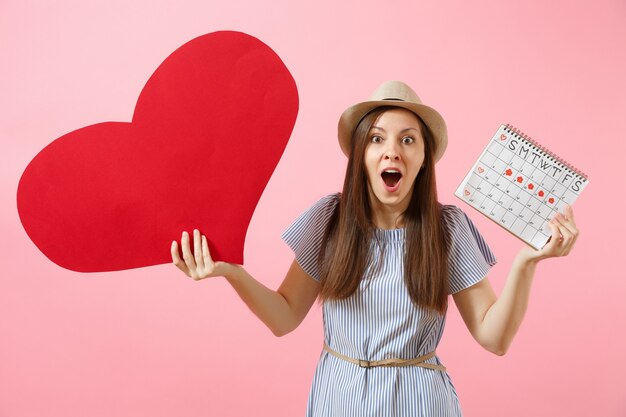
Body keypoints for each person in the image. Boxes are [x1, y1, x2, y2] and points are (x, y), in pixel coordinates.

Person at [170, 81, 579, 416]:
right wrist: (232, 273)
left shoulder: (448, 229)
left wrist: (528, 262)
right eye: (377, 138)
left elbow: (495, 338)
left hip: (421, 404)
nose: (392, 151)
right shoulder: (330, 219)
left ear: (423, 159)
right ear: (361, 155)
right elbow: (284, 317)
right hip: (339, 399)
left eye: (408, 140)